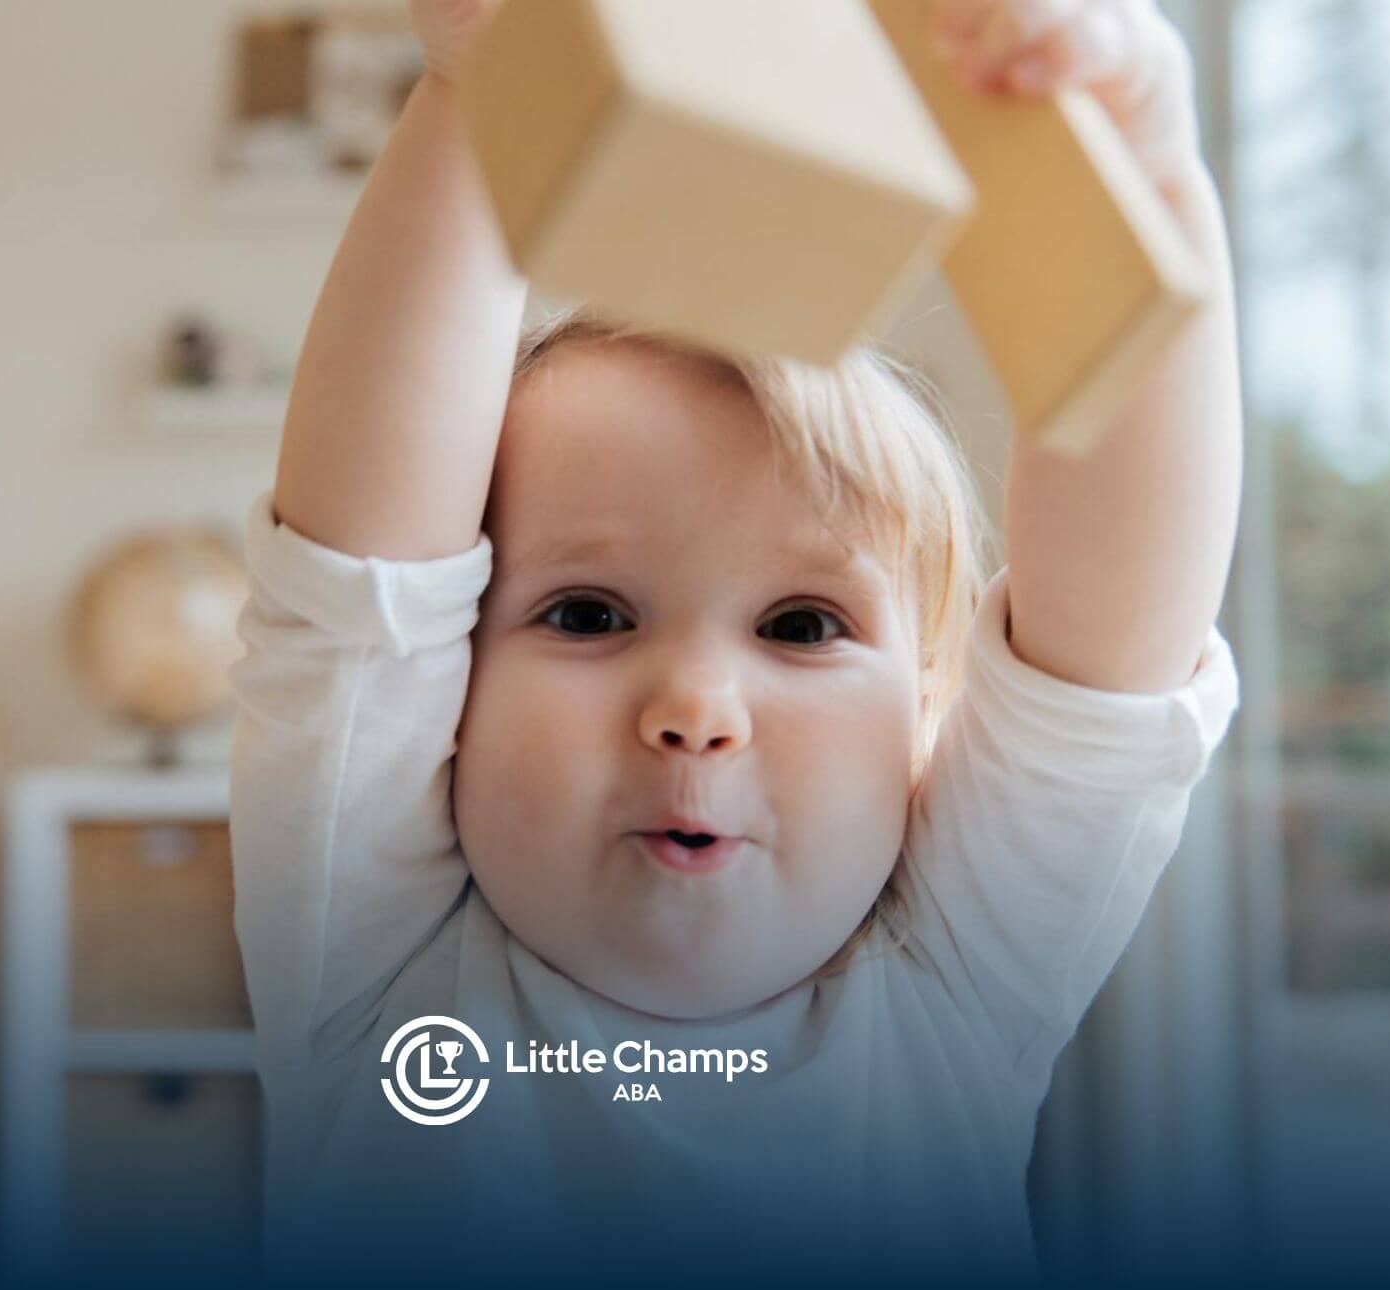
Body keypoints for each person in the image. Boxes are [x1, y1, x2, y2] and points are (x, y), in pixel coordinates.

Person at [227, 1, 1243, 1284]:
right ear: (447, 694)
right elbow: (360, 584)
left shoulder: (951, 979)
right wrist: (487, 84)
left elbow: (1110, 665)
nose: (696, 708)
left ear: (925, 722)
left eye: (802, 627)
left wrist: (1146, 185)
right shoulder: (370, 951)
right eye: (587, 615)